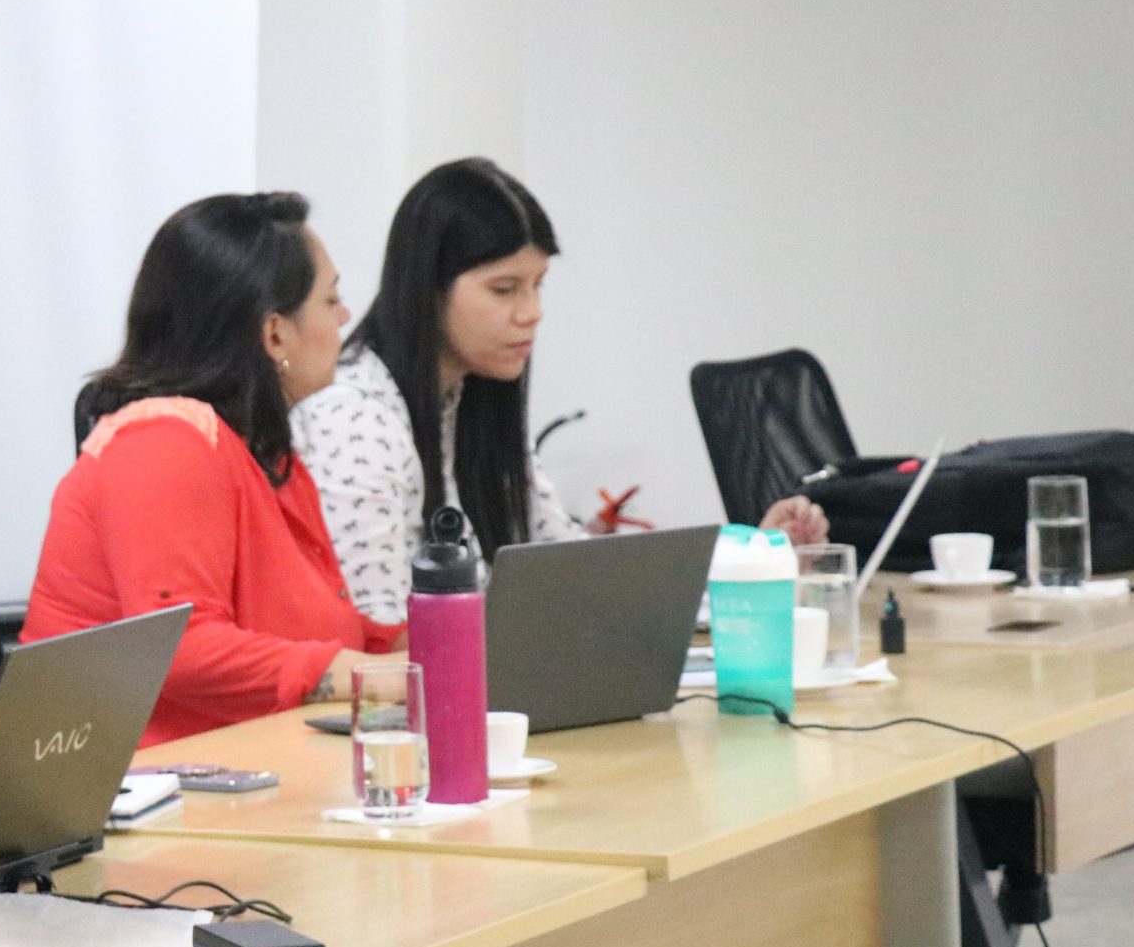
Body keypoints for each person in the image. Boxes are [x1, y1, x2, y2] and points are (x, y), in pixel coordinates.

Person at [294, 157, 826, 626]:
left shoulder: (467, 404)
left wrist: (755, 561)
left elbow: (574, 570)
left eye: (538, 283)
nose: (532, 312)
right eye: (504, 289)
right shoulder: (356, 421)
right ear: (427, 289)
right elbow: (376, 638)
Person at [21, 192, 392, 744]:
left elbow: (317, 631)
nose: (344, 317)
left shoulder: (259, 453)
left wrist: (438, 648)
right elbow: (181, 648)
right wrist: (370, 676)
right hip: (119, 799)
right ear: (274, 335)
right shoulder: (165, 443)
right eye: (330, 299)